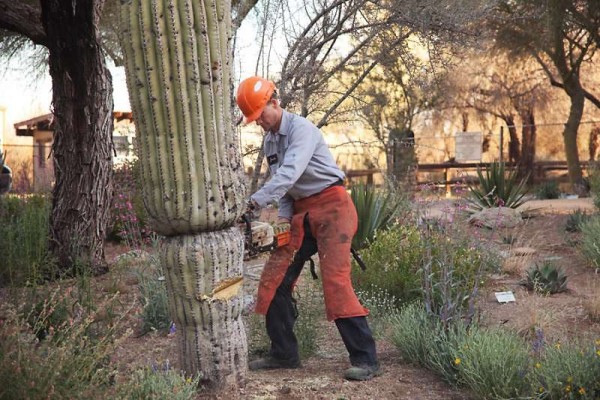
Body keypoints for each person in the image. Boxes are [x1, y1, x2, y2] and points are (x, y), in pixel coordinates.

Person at [236, 76, 381, 381]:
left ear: (275, 103)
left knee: (336, 281)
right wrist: (285, 222)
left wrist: (253, 203)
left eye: (261, 114)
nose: (259, 122)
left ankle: (366, 359)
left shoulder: (302, 130)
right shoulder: (271, 141)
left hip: (333, 209)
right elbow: (288, 191)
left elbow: (288, 174)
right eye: (254, 119)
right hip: (302, 215)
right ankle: (284, 354)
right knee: (274, 277)